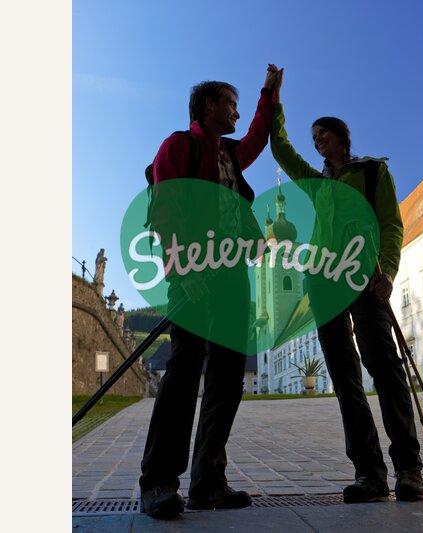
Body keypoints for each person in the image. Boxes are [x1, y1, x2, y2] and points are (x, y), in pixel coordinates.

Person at [268, 69, 423, 503]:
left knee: (386, 368)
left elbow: (391, 225)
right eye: (314, 137)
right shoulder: (319, 183)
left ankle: (409, 469)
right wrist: (273, 100)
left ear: (342, 138)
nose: (317, 141)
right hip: (324, 283)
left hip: (364, 279)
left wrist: (389, 272)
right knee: (344, 378)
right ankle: (369, 474)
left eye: (323, 135)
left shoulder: (373, 173)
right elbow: (281, 150)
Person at [138, 66, 281, 520]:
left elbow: (259, 135)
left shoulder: (232, 155)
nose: (237, 113)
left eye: (240, 105)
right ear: (208, 106)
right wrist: (180, 265)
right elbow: (165, 204)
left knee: (227, 375)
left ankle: (208, 483)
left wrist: (268, 95)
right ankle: (159, 481)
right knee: (183, 372)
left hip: (233, 272)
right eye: (231, 104)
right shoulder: (179, 145)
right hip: (194, 269)